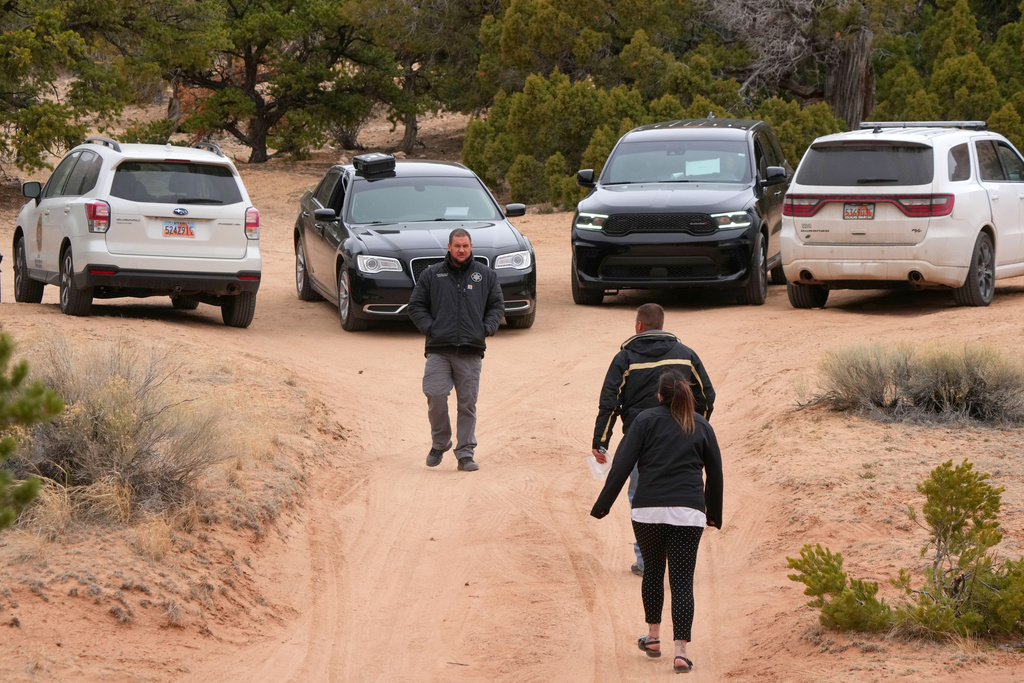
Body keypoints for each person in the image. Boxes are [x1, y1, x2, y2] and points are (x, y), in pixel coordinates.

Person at [591, 370, 723, 674]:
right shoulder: (701, 424)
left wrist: (603, 506)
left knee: (653, 570)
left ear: (659, 395)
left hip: (648, 511)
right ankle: (681, 653)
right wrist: (713, 513)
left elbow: (622, 464)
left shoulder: (645, 420)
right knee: (681, 580)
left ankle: (652, 638)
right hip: (689, 514)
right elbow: (715, 473)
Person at [592, 303, 714, 576]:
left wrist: (600, 441)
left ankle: (647, 562)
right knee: (684, 493)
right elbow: (707, 395)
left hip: (640, 442)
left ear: (639, 326)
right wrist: (695, 427)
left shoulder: (624, 359)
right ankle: (680, 558)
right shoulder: (686, 354)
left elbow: (609, 403)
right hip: (684, 439)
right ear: (662, 324)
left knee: (641, 498)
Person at [408, 228, 504, 472]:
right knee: (435, 395)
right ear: (449, 247)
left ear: (471, 247)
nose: (462, 250)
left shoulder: (486, 275)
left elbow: (496, 305)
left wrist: (485, 329)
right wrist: (432, 328)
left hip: (471, 351)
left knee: (467, 404)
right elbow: (416, 305)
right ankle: (440, 442)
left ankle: (465, 454)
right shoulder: (432, 274)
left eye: (466, 246)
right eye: (457, 246)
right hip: (439, 349)